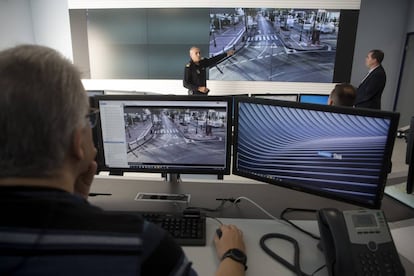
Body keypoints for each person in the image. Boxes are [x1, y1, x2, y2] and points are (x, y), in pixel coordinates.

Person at [0, 44, 246, 276]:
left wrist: (74, 202)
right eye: (89, 118)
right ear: (78, 143)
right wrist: (234, 255)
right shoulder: (139, 243)